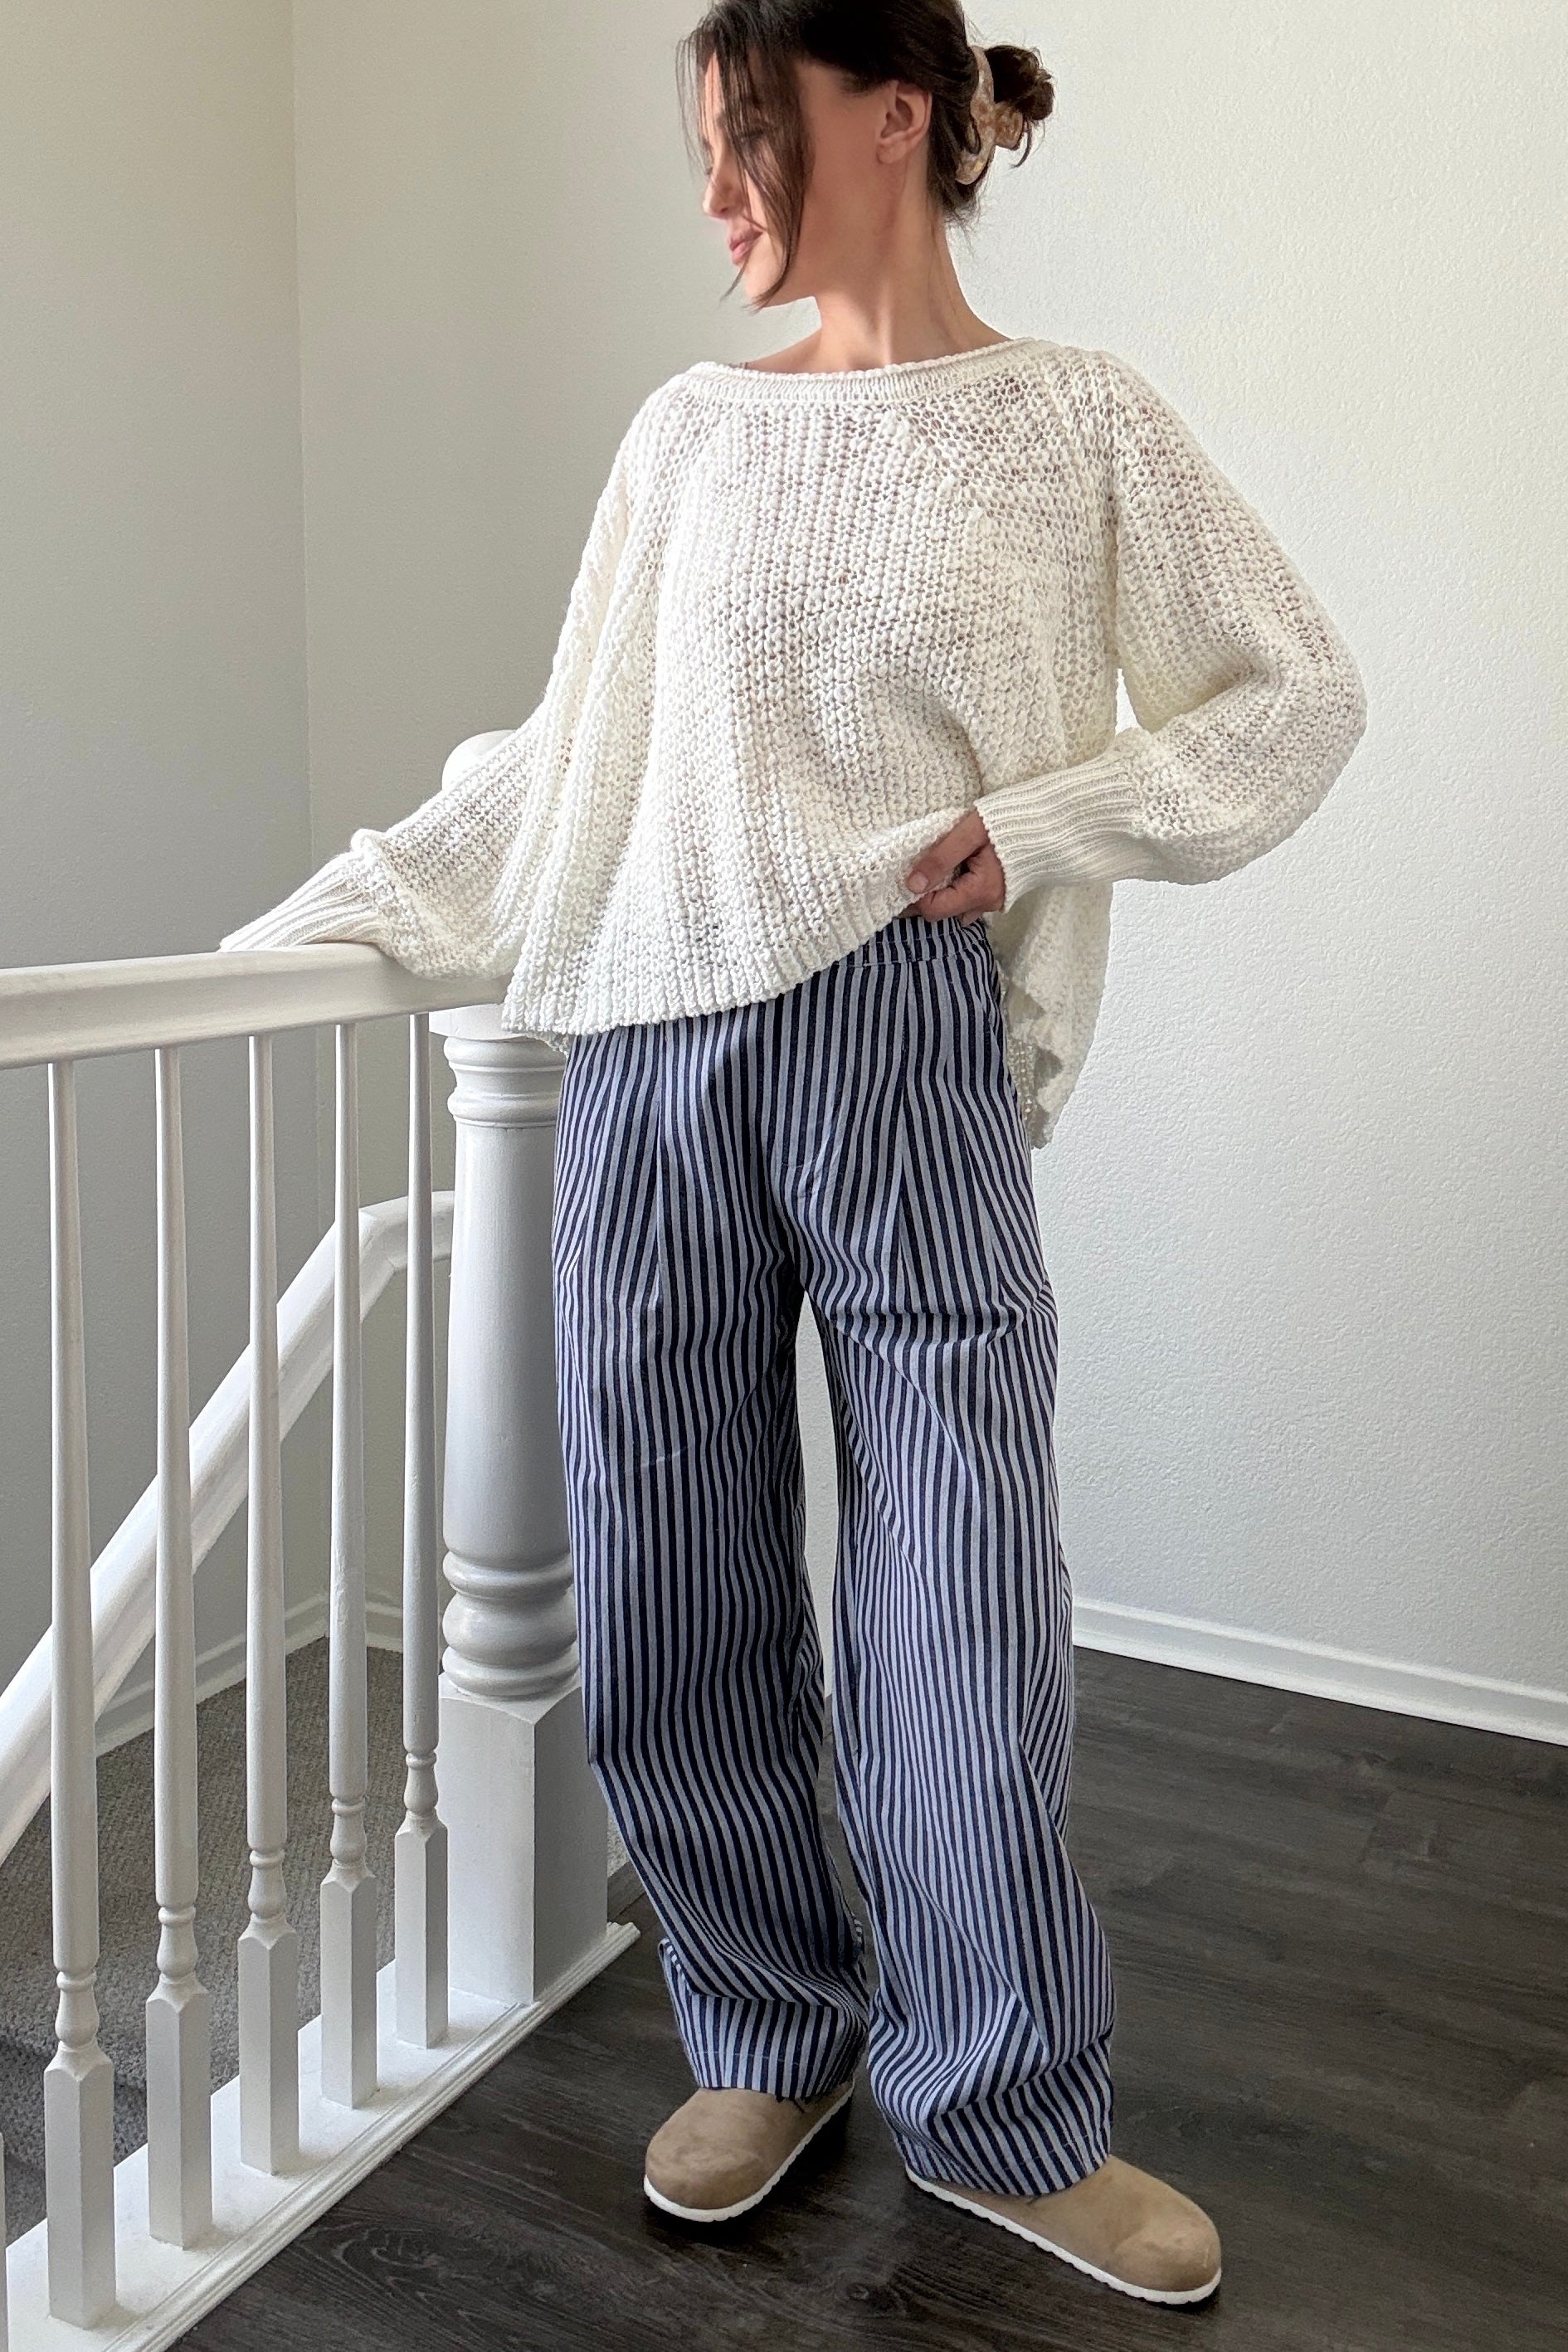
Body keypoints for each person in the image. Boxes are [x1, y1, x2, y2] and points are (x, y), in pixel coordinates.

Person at [221, 0, 1367, 2310]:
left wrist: (1037, 821)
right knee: (671, 1571)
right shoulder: (684, 441)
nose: (715, 189)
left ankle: (1008, 2102)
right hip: (644, 1042)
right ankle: (763, 2023)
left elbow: (1293, 693)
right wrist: (306, 925)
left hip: (902, 1030)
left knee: (954, 1596)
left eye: (739, 133)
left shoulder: (1073, 423)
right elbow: (565, 767)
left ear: (893, 114)